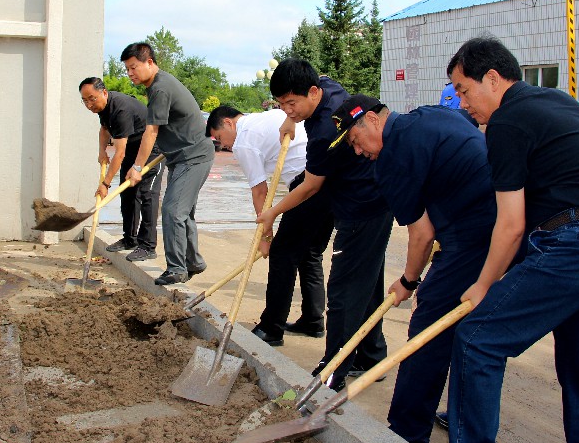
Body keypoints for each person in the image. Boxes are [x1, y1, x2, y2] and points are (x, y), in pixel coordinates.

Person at [413, 36, 579, 443]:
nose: (460, 101)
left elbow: (511, 226)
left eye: (463, 88)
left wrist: (481, 284)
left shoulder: (507, 122)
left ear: (492, 79)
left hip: (575, 244)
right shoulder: (556, 100)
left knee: (477, 336)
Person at [329, 94, 495, 443]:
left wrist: (408, 280)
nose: (358, 152)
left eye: (356, 142)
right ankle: (461, 419)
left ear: (372, 120)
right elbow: (465, 140)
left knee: (427, 332)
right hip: (506, 225)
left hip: (474, 235)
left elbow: (421, 234)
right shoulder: (432, 116)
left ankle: (404, 436)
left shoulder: (392, 159)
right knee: (469, 332)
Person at [257, 60, 393, 392]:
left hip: (361, 206)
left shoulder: (324, 134)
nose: (288, 110)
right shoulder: (327, 89)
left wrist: (271, 212)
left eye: (292, 103)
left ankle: (333, 368)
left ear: (313, 92)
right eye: (281, 104)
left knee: (345, 289)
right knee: (368, 282)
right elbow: (319, 81)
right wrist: (289, 119)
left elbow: (311, 187)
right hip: (376, 198)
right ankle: (371, 354)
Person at [206, 105, 332, 346]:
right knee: (309, 254)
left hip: (306, 186)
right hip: (327, 181)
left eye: (220, 137)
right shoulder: (271, 116)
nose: (223, 145)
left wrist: (266, 237)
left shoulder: (244, 140)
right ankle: (312, 319)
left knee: (282, 256)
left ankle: (271, 327)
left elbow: (260, 191)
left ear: (230, 123)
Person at [121, 42, 216, 286]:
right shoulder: (157, 85)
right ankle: (193, 261)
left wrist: (138, 167)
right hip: (180, 156)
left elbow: (151, 131)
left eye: (133, 67)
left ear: (149, 63)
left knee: (173, 210)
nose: (130, 73)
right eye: (127, 69)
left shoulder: (160, 88)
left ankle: (177, 269)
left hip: (193, 157)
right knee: (183, 213)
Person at [79, 77, 163, 262]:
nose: (89, 104)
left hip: (152, 149)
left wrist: (105, 184)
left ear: (104, 92)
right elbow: (104, 130)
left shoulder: (120, 109)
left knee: (147, 195)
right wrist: (101, 152)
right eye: (85, 100)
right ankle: (130, 239)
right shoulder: (102, 108)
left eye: (92, 98)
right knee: (128, 194)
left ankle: (148, 246)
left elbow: (120, 153)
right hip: (134, 149)